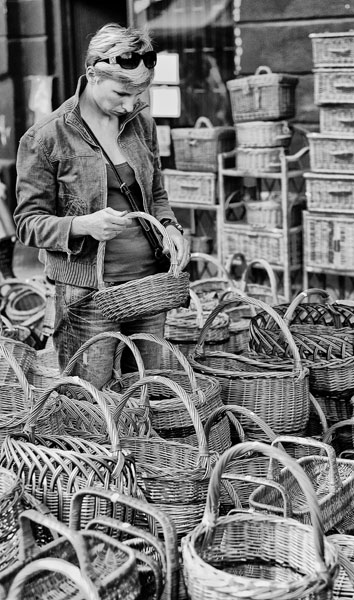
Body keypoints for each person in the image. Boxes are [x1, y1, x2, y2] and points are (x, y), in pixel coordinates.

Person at [14, 23, 190, 388]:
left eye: (139, 92)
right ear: (92, 72)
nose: (130, 104)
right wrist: (83, 225)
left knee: (152, 392)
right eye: (122, 92)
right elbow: (28, 223)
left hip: (149, 285)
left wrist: (171, 227)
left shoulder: (140, 123)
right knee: (92, 403)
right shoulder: (46, 136)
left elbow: (155, 191)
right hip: (88, 292)